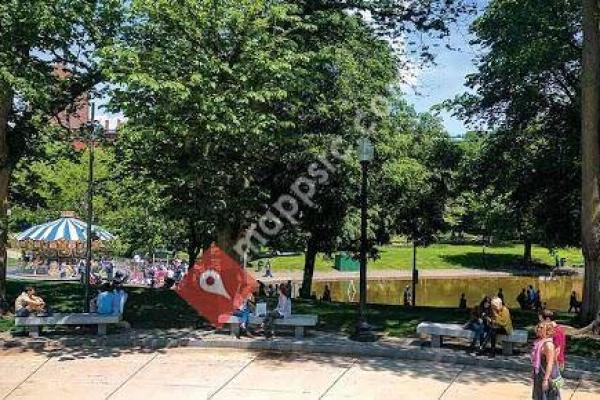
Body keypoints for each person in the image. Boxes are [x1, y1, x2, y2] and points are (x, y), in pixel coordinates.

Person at [531, 320, 563, 400]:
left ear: (548, 330)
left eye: (541, 328)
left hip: (547, 376)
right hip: (540, 374)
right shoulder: (539, 342)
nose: (538, 329)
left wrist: (545, 380)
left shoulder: (548, 345)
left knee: (547, 397)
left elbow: (550, 363)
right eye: (538, 327)